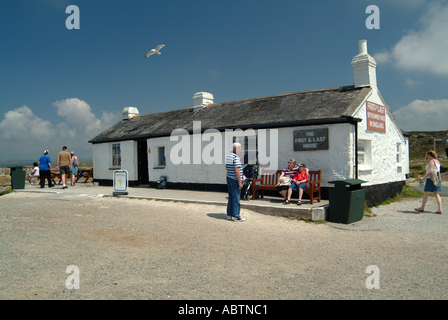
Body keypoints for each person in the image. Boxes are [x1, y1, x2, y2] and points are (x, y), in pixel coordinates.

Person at [225, 142, 246, 222]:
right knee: (236, 198)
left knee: (231, 197)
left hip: (229, 178)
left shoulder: (229, 156)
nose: (240, 149)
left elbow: (226, 167)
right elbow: (237, 170)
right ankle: (236, 216)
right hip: (235, 180)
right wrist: (240, 182)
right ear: (234, 148)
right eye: (239, 148)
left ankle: (229, 215)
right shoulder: (236, 157)